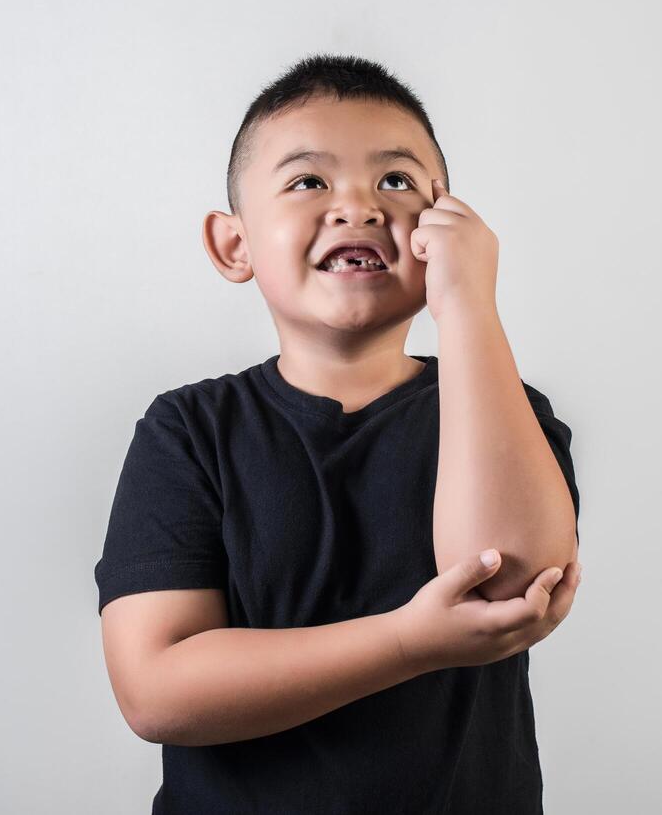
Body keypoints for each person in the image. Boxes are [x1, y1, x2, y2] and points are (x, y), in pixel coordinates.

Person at [94, 53, 584, 814]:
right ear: (234, 244)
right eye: (307, 181)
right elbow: (158, 690)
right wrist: (408, 642)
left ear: (441, 225)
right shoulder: (188, 431)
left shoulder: (504, 408)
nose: (356, 206)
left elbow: (510, 588)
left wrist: (467, 307)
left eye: (394, 181)